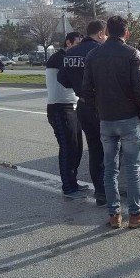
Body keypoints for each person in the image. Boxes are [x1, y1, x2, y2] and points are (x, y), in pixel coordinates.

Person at [82, 15, 140, 229]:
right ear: (126, 33)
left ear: (106, 32)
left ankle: (114, 214)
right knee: (132, 167)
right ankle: (135, 213)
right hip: (129, 117)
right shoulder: (132, 53)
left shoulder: (93, 55)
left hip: (106, 118)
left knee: (109, 167)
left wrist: (99, 108)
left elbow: (86, 89)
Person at [58, 21, 106, 206]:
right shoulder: (99, 51)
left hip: (83, 106)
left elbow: (62, 79)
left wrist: (79, 86)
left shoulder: (70, 53)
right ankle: (107, 189)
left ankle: (100, 191)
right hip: (101, 106)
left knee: (94, 149)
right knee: (110, 149)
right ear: (101, 33)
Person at [46, 32, 89, 199]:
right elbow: (70, 77)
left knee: (77, 147)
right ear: (68, 43)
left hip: (72, 106)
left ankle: (73, 181)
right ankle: (67, 187)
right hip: (59, 107)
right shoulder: (59, 57)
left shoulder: (68, 57)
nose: (78, 47)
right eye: (76, 43)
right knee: (67, 148)